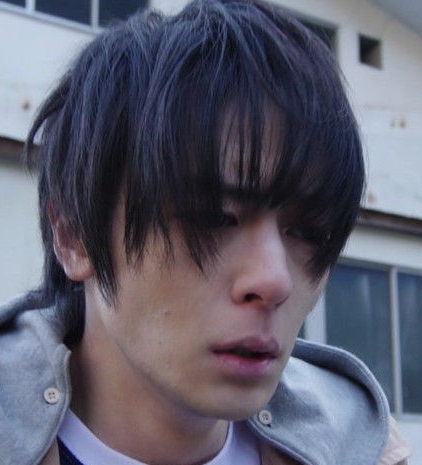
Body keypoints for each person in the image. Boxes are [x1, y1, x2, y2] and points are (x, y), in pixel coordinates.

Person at [0, 0, 411, 464]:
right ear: (73, 235)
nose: (274, 281)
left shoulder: (362, 446)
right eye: (213, 217)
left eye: (308, 231)